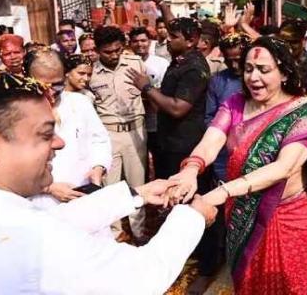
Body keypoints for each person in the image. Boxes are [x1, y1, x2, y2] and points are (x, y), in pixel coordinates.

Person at [0, 68, 218, 294]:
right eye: (45, 134)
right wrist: (192, 217)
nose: (60, 144)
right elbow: (141, 277)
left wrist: (134, 195)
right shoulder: (29, 237)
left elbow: (52, 223)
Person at [168, 36, 307, 295]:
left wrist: (220, 192)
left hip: (288, 220)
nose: (253, 78)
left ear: (285, 73)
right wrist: (191, 169)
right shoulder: (235, 104)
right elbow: (211, 141)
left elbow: (283, 168)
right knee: (246, 285)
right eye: (248, 69)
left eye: (264, 70)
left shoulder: (304, 114)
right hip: (242, 214)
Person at [126, 18, 219, 287]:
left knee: (196, 200)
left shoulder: (194, 68)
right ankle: (185, 253)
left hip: (188, 148)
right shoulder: (178, 61)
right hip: (171, 144)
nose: (168, 39)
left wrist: (146, 87)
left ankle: (208, 265)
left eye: (175, 36)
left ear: (191, 40)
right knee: (174, 200)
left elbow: (178, 107)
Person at [23, 48, 112, 209]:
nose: (50, 92)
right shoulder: (16, 112)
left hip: (82, 193)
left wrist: (98, 167)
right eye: (42, 85)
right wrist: (48, 188)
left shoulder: (80, 102)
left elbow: (99, 140)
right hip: (40, 201)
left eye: (57, 85)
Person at [89, 26, 149, 241]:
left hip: (135, 132)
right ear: (97, 50)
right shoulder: (90, 72)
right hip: (108, 135)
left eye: (117, 50)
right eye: (108, 52)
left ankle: (140, 233)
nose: (114, 55)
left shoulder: (135, 64)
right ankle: (114, 234)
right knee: (110, 187)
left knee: (137, 185)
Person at [204, 33, 251, 181]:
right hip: (223, 154)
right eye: (229, 61)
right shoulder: (217, 81)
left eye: (238, 60)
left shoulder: (258, 79)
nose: (235, 66)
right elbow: (209, 117)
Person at [128, 27, 169, 161]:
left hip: (156, 122)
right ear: (130, 43)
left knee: (160, 161)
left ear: (150, 42)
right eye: (135, 41)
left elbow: (165, 92)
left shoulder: (161, 63)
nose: (140, 44)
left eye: (143, 40)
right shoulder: (126, 64)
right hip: (134, 123)